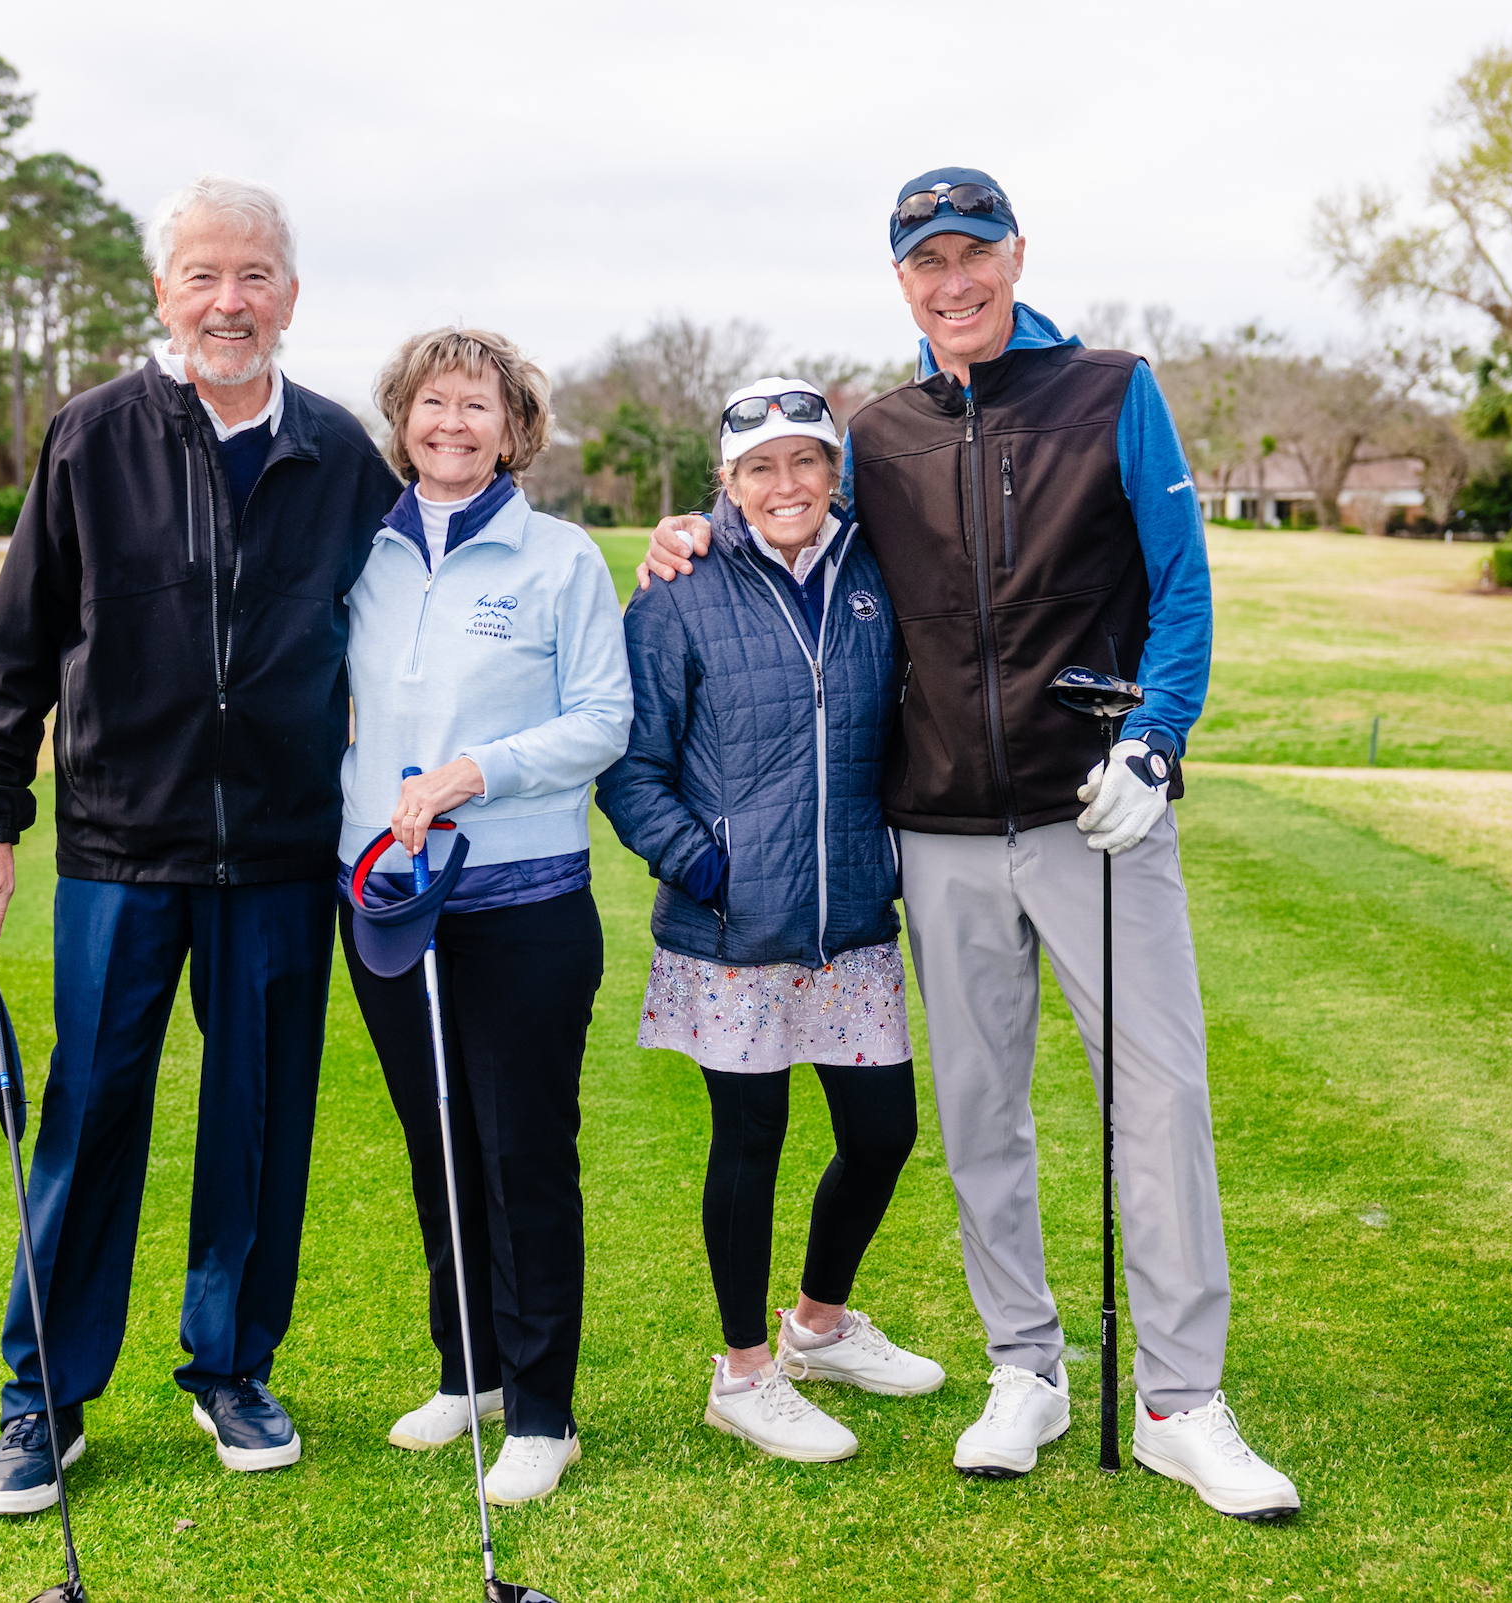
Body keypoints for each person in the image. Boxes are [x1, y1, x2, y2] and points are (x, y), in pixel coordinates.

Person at [639, 168, 1299, 1519]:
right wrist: (695, 533)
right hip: (936, 827)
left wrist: (1155, 739)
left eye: (973, 253)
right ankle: (1024, 1367)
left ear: (1015, 255)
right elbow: (798, 529)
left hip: (1094, 809)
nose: (955, 282)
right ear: (902, 282)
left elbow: (1182, 584)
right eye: (927, 263)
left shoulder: (1113, 389)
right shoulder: (879, 434)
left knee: (1158, 1098)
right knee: (983, 1113)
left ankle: (1181, 1399)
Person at [0, 174, 403, 1511]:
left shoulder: (339, 454)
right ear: (163, 292)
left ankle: (231, 1363)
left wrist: (691, 538)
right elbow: (16, 647)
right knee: (89, 1116)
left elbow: (439, 585)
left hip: (277, 855)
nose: (229, 300)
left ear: (291, 296)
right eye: (203, 274)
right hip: (117, 850)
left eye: (254, 275)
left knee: (257, 1119)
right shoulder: (93, 437)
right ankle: (44, 1398)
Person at [595, 378, 945, 1464]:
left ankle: (819, 1326)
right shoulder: (678, 591)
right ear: (727, 481)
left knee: (882, 1134)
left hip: (853, 919)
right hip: (734, 925)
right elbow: (630, 766)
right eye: (760, 467)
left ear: (837, 473)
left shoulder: (877, 571)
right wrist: (709, 866)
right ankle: (744, 1371)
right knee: (751, 1141)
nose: (785, 484)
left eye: (806, 461)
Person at [338, 328, 632, 1506]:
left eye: (476, 407)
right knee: (438, 1145)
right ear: (402, 421)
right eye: (432, 403)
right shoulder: (361, 552)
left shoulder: (561, 559)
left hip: (525, 906)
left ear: (515, 431)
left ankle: (545, 1409)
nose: (451, 424)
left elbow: (603, 720)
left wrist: (476, 772)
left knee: (522, 1153)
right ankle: (471, 1372)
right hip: (387, 900)